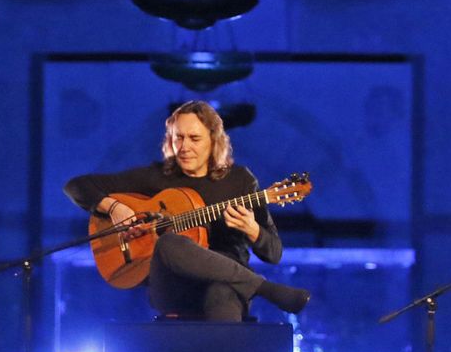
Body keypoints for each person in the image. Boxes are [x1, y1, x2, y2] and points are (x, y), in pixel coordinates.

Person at [63, 100, 309, 321]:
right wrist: (114, 208)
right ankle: (265, 288)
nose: (183, 147)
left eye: (194, 138)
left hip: (227, 284)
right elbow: (77, 186)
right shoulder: (157, 177)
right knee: (169, 242)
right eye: (177, 137)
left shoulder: (241, 182)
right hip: (173, 286)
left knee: (222, 291)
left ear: (214, 140)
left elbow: (274, 253)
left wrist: (254, 231)